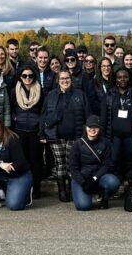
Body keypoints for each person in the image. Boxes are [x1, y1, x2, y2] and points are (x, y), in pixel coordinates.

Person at [41, 71, 90, 202]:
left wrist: (87, 133)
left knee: (72, 163)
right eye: (62, 78)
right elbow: (44, 115)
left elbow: (87, 115)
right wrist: (42, 132)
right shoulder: (51, 95)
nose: (65, 80)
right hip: (55, 136)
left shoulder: (80, 94)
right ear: (58, 80)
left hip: (75, 135)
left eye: (67, 78)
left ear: (71, 79)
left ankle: (73, 189)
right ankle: (62, 190)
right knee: (60, 163)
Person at [69, 115, 120, 211]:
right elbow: (73, 168)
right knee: (83, 206)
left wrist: (95, 178)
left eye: (95, 127)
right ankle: (85, 194)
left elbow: (107, 164)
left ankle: (102, 195)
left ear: (99, 129)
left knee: (113, 182)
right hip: (81, 178)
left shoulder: (105, 143)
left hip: (98, 176)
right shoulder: (77, 144)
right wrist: (83, 183)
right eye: (90, 127)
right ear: (85, 128)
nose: (93, 129)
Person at [103, 68, 132, 178]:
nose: (123, 79)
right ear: (115, 79)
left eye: (125, 77)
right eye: (119, 77)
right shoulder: (109, 94)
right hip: (114, 136)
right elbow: (104, 117)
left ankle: (131, 186)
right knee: (114, 161)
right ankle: (117, 185)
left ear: (129, 78)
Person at [10, 64, 45, 198]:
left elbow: (43, 111)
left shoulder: (39, 91)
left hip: (35, 130)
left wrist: (41, 128)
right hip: (19, 130)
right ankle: (23, 187)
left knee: (36, 161)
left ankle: (36, 188)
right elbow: (12, 110)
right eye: (24, 75)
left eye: (30, 75)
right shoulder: (14, 91)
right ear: (20, 77)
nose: (27, 78)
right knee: (21, 160)